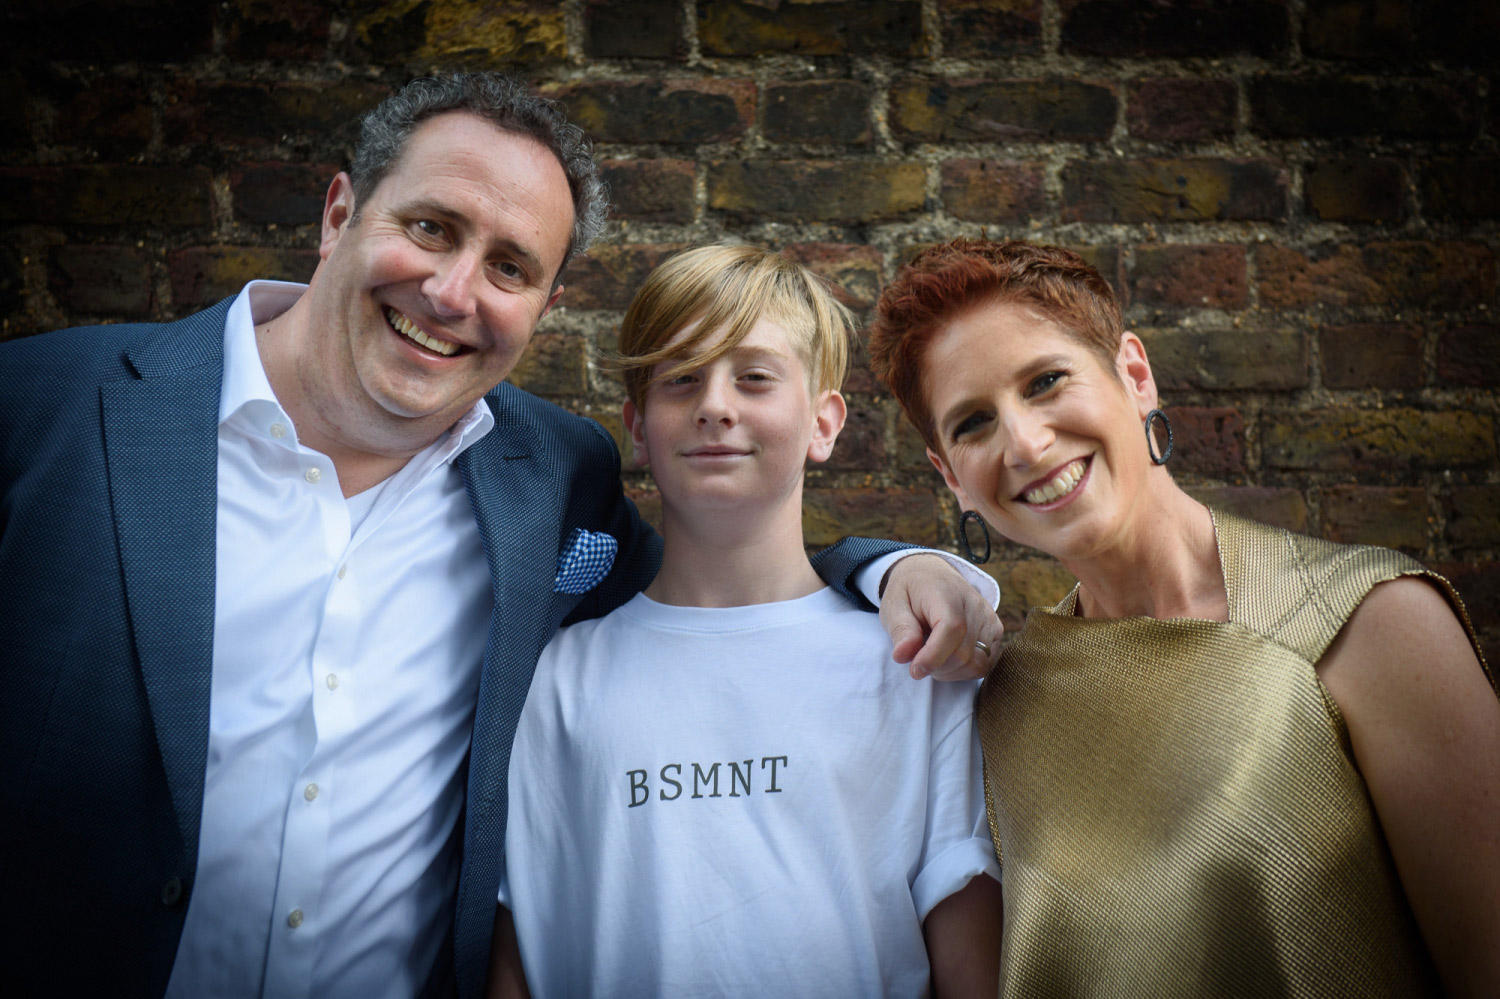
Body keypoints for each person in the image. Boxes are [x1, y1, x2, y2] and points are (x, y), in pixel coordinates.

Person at [0, 75, 1003, 998]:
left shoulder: (552, 481)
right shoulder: (39, 411)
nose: (451, 292)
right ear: (339, 214)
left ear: (545, 306)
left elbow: (720, 591)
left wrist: (891, 570)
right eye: (430, 227)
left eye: (509, 266)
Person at [866, 237, 1500, 997]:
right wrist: (891, 566)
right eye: (973, 423)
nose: (1026, 444)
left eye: (1046, 381)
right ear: (951, 478)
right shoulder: (993, 704)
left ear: (1134, 375)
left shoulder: (1368, 621)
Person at [487, 243, 1005, 998]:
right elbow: (515, 932)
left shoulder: (916, 662)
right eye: (681, 378)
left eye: (755, 377)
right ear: (638, 428)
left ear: (824, 423)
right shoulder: (557, 676)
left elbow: (966, 936)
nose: (715, 405)